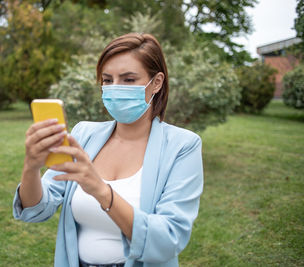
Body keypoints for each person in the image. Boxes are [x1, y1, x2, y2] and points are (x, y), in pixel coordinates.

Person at [13, 33, 204, 267]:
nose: (115, 89)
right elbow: (36, 210)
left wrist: (102, 191)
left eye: (128, 79)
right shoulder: (83, 135)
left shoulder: (183, 146)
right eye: (107, 80)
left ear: (156, 82)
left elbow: (168, 239)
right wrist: (31, 167)